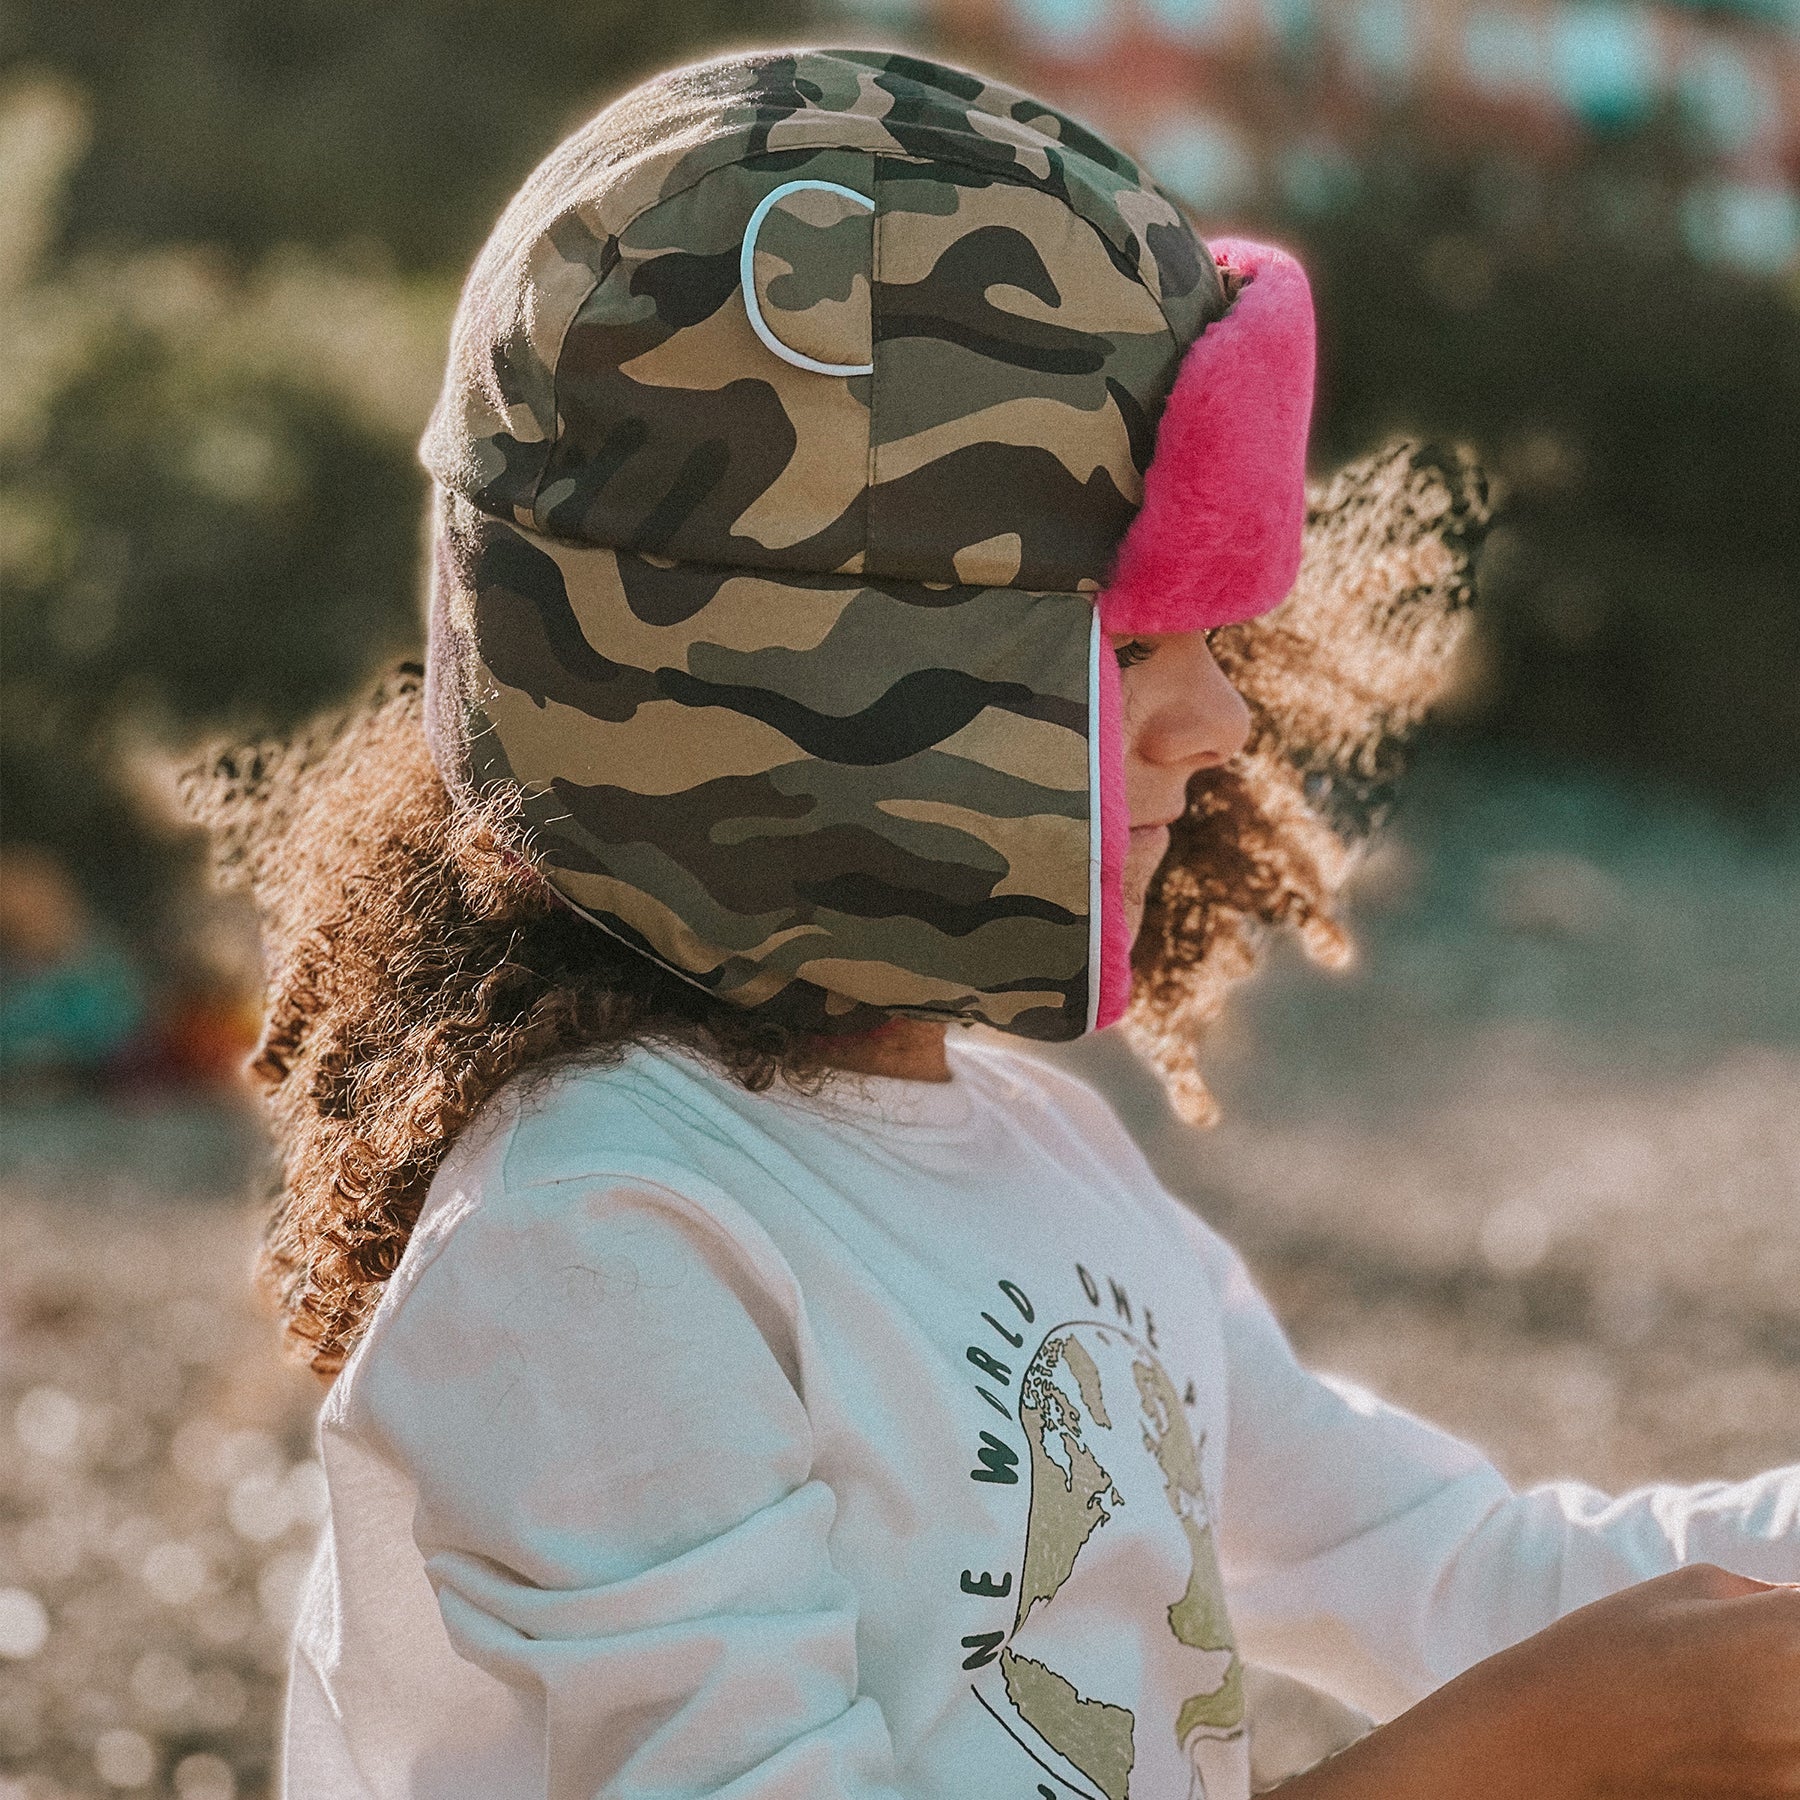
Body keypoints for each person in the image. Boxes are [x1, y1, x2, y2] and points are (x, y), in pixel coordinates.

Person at [187, 47, 1800, 1800]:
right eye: (1123, 653)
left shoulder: (1035, 1157)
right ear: (810, 677)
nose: (1224, 724)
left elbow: (1467, 1573)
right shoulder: (597, 1255)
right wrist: (1518, 1761)